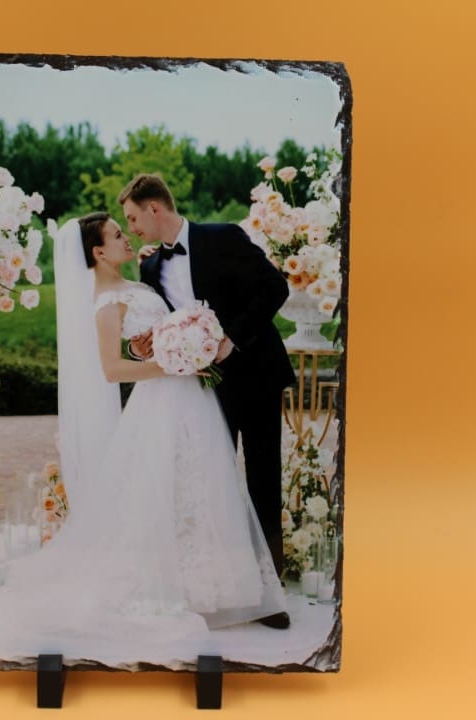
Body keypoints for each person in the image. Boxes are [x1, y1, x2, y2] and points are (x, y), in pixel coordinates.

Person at [0, 213, 286, 667]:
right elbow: (113, 370)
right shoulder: (105, 304)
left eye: (126, 230)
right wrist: (173, 365)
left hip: (191, 401)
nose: (127, 237)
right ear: (98, 252)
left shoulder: (143, 285)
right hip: (161, 402)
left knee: (201, 484)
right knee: (163, 490)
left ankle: (209, 584)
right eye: (117, 235)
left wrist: (167, 343)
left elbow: (147, 341)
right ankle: (170, 583)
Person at [119, 174, 295, 629]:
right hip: (201, 390)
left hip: (254, 375)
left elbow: (275, 288)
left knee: (262, 480)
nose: (133, 227)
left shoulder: (223, 236)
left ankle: (271, 596)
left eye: (134, 218)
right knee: (215, 486)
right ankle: (226, 585)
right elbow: (158, 325)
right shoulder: (150, 268)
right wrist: (142, 347)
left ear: (155, 208)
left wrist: (232, 339)